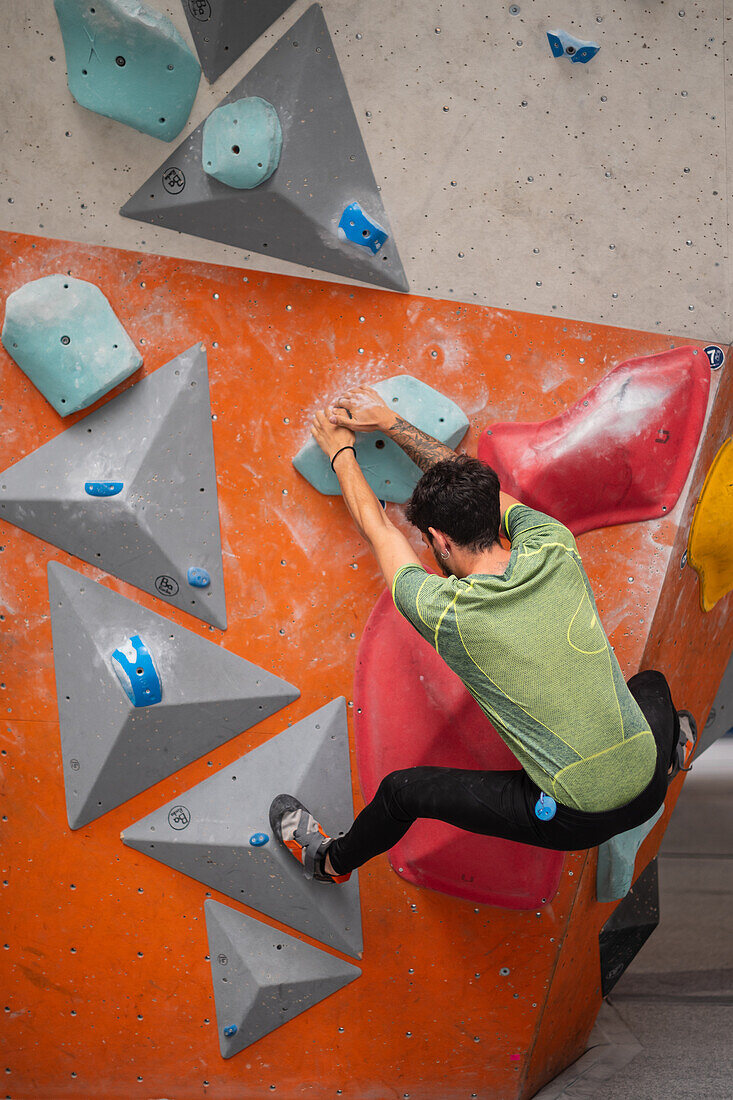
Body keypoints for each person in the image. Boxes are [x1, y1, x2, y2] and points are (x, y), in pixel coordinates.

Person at [269, 385, 696, 885]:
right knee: (651, 685)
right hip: (646, 777)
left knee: (402, 793)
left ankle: (329, 862)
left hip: (573, 817)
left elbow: (379, 531)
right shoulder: (551, 542)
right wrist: (388, 420)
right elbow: (476, 485)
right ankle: (672, 752)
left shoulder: (448, 613)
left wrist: (341, 453)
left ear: (441, 542)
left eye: (430, 541)